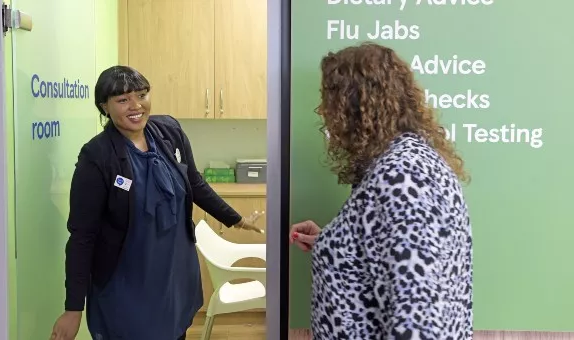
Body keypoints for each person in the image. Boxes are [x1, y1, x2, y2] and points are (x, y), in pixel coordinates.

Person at [50, 65, 261, 340]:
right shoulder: (97, 157)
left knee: (176, 332)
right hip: (126, 284)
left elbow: (194, 183)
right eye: (122, 100)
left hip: (174, 274)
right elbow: (82, 237)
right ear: (105, 107)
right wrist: (73, 308)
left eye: (142, 94)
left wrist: (236, 219)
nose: (135, 106)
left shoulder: (169, 131)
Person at [290, 42, 473, 339]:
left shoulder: (403, 176)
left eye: (330, 101)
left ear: (356, 106)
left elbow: (418, 318)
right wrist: (333, 242)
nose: (324, 113)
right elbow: (388, 260)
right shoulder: (403, 163)